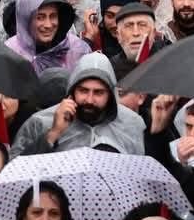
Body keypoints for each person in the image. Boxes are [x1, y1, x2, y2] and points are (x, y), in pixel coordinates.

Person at [10, 53, 144, 156]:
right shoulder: (40, 122)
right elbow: (15, 171)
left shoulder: (132, 124)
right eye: (83, 91)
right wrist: (53, 134)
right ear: (72, 90)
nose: (90, 100)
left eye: (98, 93)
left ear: (110, 95)